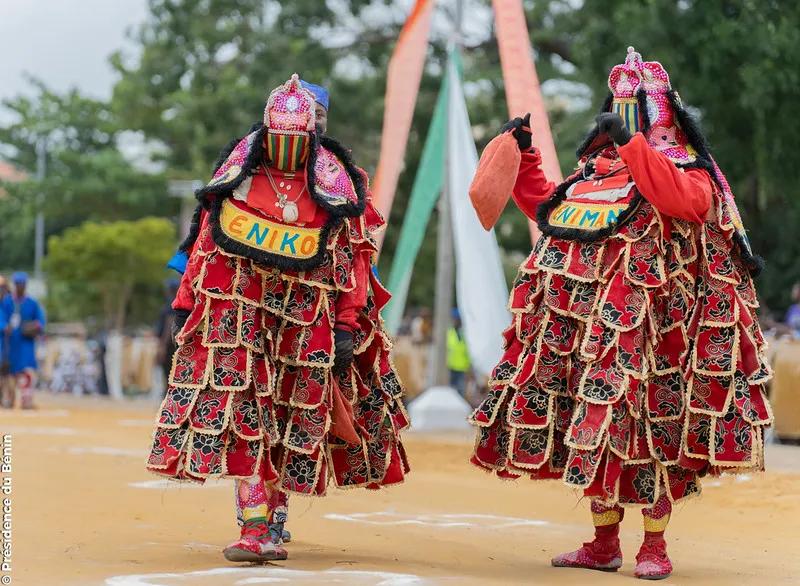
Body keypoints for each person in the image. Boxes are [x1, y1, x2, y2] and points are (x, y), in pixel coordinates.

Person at [469, 47, 772, 580]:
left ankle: (654, 547)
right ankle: (603, 543)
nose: (618, 120)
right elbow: (553, 213)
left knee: (655, 435)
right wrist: (526, 156)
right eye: (616, 112)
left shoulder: (690, 170)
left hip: (659, 339)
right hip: (592, 334)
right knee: (597, 428)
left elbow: (681, 201)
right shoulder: (595, 174)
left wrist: (634, 146)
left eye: (630, 112)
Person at [147, 75, 410, 564]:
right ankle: (254, 526)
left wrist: (347, 326)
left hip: (308, 321)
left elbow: (354, 260)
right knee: (244, 414)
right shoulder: (240, 170)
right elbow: (205, 240)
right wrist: (186, 306)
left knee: (293, 418)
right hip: (240, 317)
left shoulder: (339, 181)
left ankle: (274, 514)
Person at [0, 272, 46, 409]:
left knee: (27, 372)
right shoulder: (7, 302)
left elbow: (40, 321)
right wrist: (4, 326)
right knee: (7, 373)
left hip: (25, 344)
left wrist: (36, 326)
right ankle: (8, 398)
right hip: (9, 343)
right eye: (18, 284)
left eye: (22, 284)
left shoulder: (32, 303)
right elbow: (1, 317)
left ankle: (27, 400)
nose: (20, 286)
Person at [155, 278, 181, 397]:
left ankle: (169, 396)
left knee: (168, 371)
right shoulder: (177, 302)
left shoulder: (172, 304)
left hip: (170, 343)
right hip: (173, 342)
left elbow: (169, 325)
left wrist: (162, 346)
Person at [447, 308, 470, 396]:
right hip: (451, 367)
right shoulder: (449, 333)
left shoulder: (464, 333)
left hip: (462, 367)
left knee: (460, 392)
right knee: (450, 391)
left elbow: (466, 351)